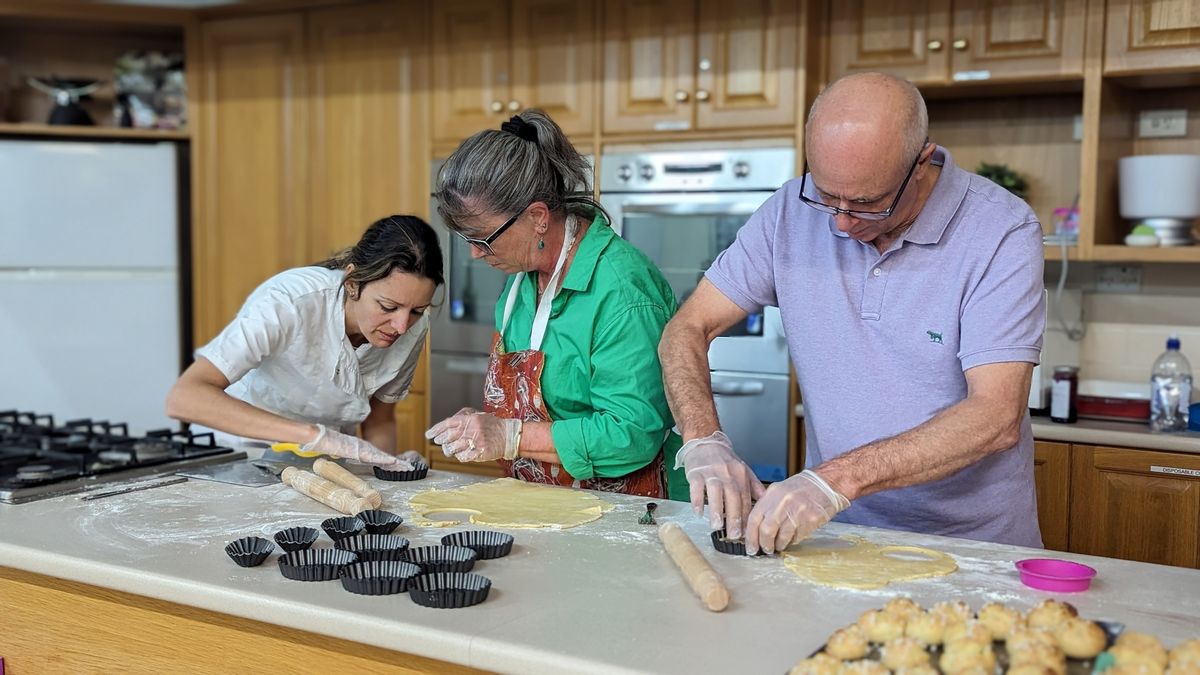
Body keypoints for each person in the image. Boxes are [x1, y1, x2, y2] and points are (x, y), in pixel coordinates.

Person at [659, 72, 1045, 552]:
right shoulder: (787, 213)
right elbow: (688, 327)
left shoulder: (1000, 231)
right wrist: (702, 438)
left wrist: (832, 480)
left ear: (921, 161)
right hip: (835, 537)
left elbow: (996, 414)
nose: (840, 222)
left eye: (867, 203)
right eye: (825, 195)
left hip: (971, 547)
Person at [424, 110, 685, 499]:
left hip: (625, 509)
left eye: (483, 238)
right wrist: (489, 424)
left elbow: (631, 435)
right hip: (543, 501)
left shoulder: (622, 290)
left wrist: (511, 436)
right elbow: (538, 405)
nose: (475, 255)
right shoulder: (520, 281)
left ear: (538, 217)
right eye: (466, 240)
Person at [166, 215, 441, 468]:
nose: (402, 326)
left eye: (417, 310)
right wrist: (314, 436)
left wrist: (385, 467)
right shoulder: (289, 302)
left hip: (321, 462)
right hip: (235, 453)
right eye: (387, 306)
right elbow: (186, 398)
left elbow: (379, 420)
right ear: (353, 282)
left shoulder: (414, 329)